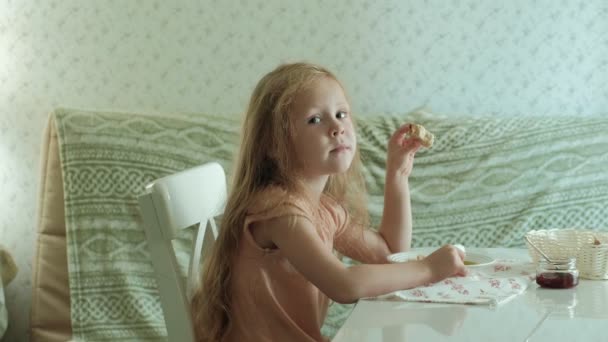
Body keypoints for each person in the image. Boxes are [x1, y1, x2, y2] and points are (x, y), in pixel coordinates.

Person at [190, 62, 467, 342]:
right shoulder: (280, 213)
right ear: (273, 145)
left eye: (341, 114)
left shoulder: (324, 209)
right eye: (315, 119)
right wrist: (429, 269)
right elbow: (343, 285)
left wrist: (397, 174)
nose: (337, 127)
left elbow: (388, 253)